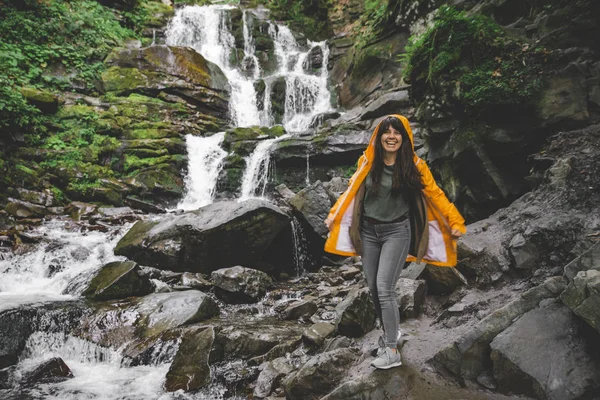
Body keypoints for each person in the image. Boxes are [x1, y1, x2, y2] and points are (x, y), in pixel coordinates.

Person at [323, 114, 466, 370]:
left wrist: (454, 221)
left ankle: (391, 351)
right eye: (386, 132)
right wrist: (334, 215)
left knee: (384, 287)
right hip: (368, 233)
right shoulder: (367, 162)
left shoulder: (414, 166)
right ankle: (392, 333)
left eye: (396, 132)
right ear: (378, 137)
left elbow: (435, 194)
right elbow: (351, 190)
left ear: (404, 137)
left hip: (397, 232)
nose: (391, 136)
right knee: (374, 290)